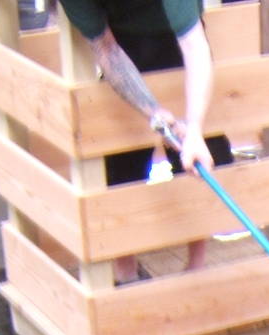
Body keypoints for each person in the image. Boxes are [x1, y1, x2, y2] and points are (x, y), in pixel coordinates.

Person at [55, 0, 235, 277]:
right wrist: (153, 111)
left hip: (175, 41)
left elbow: (195, 46)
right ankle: (126, 271)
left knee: (200, 159)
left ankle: (196, 266)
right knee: (117, 165)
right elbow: (106, 49)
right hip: (124, 45)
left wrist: (194, 127)